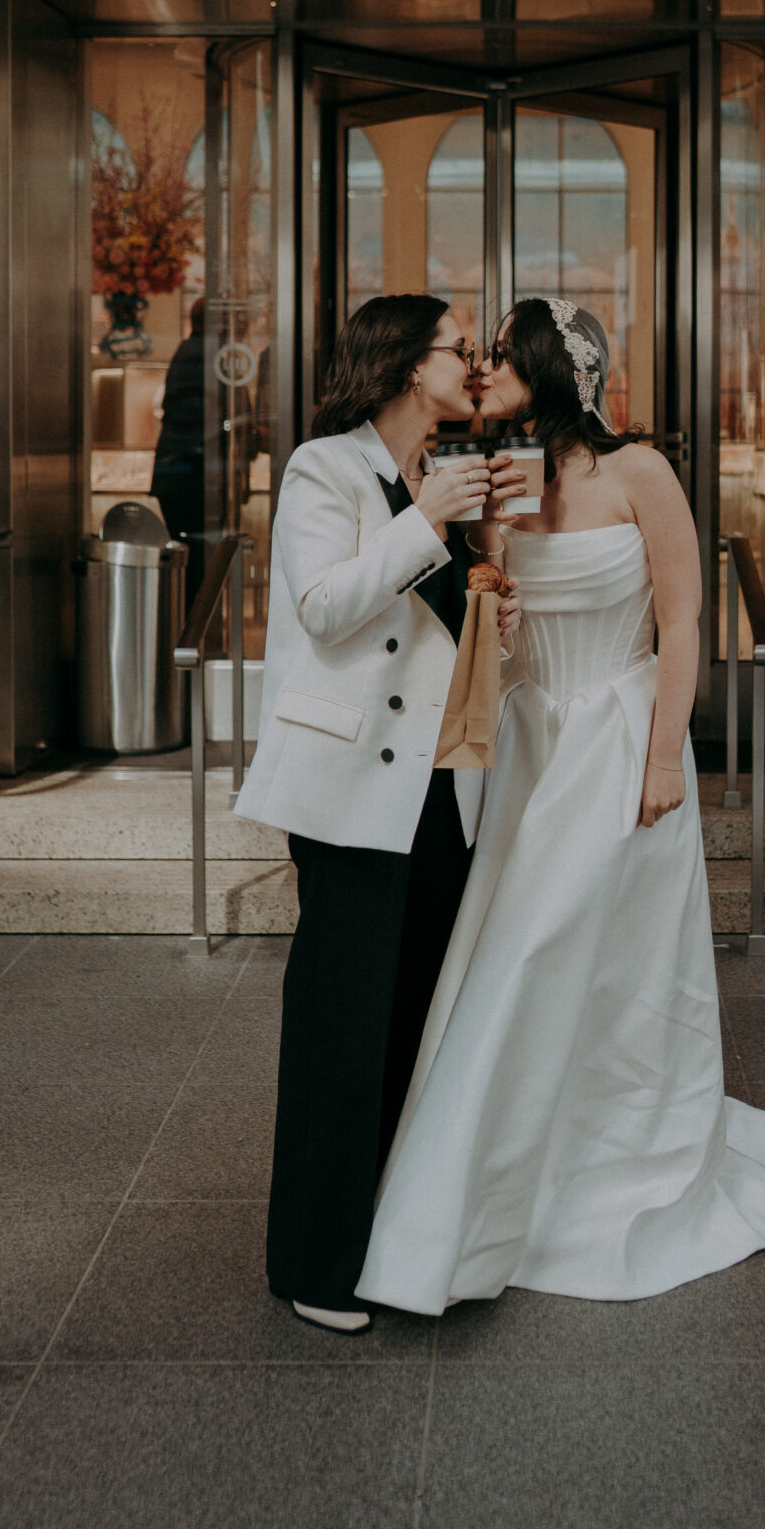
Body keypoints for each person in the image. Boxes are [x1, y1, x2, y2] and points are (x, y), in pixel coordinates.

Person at [358, 295, 765, 1314]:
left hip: (618, 738)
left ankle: (604, 1161)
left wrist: (662, 760)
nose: (487, 367)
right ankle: (501, 1166)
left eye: (506, 354)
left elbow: (683, 623)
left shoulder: (641, 470)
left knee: (598, 958)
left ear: (558, 366)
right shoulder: (506, 479)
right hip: (530, 745)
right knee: (522, 948)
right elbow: (503, 639)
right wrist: (496, 563)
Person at [233, 294, 523, 1333]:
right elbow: (325, 606)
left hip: (438, 790)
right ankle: (314, 1259)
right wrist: (429, 518)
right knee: (340, 1023)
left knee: (411, 1015)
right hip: (352, 787)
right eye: (461, 348)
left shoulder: (426, 479)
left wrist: (484, 584)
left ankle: (388, 1238)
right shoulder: (326, 465)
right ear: (408, 365)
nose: (475, 363)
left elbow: (427, 629)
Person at [152, 298, 209, 609]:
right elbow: (199, 417)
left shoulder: (188, 351)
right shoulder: (201, 355)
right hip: (187, 475)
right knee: (196, 565)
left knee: (192, 562)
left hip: (177, 474)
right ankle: (193, 636)